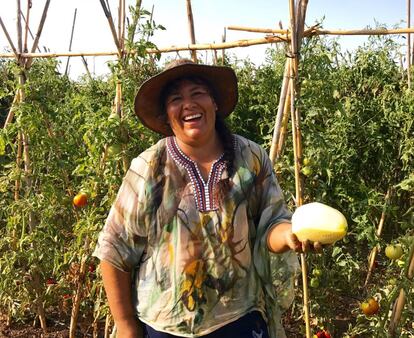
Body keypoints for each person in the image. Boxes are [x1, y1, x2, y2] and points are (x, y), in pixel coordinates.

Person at [93, 59, 321, 338]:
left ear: (214, 103)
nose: (188, 104)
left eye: (198, 93)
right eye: (176, 98)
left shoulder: (249, 158)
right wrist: (127, 325)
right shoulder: (150, 168)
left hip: (239, 317)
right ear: (167, 115)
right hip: (166, 325)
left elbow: (271, 223)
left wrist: (290, 235)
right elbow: (114, 249)